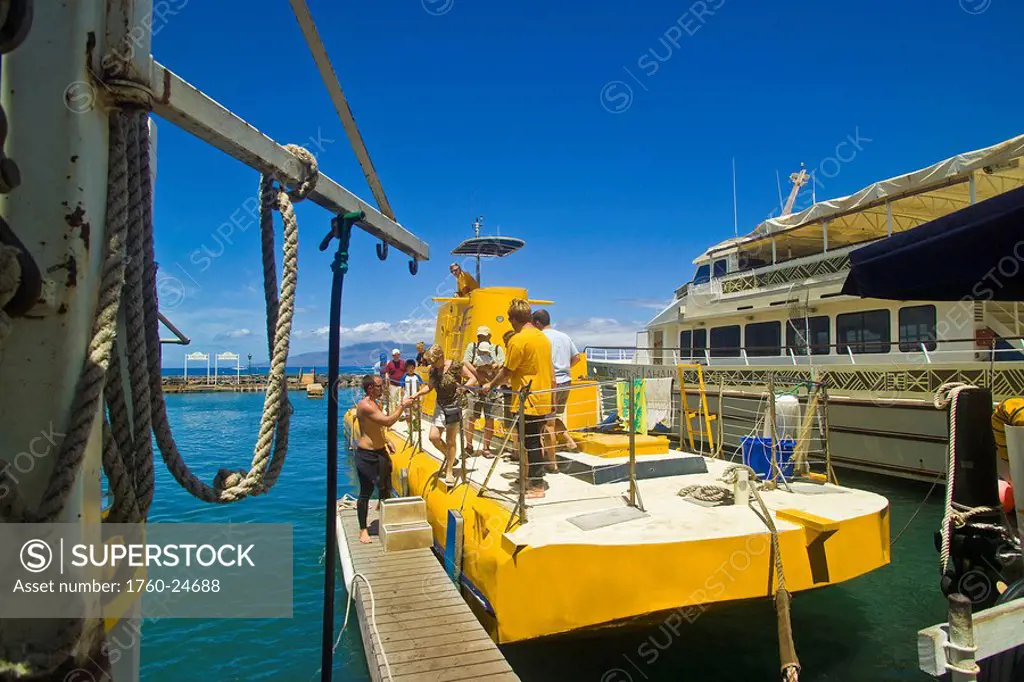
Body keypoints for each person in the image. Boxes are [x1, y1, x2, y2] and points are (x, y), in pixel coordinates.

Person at [482, 299, 553, 499]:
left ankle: (537, 485)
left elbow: (507, 371)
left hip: (526, 399)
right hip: (543, 397)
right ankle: (531, 478)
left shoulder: (517, 340)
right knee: (534, 440)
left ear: (513, 319)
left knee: (529, 443)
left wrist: (490, 385)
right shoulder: (543, 338)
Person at [409, 344, 479, 487]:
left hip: (455, 406)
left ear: (441, 357)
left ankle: (449, 471)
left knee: (451, 439)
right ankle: (450, 457)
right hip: (441, 405)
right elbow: (430, 386)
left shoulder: (455, 366)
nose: (432, 364)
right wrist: (417, 393)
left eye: (433, 361)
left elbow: (472, 378)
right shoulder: (434, 370)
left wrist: (463, 388)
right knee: (433, 437)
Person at [355, 374, 413, 543]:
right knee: (365, 492)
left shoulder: (376, 403)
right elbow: (387, 422)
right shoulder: (365, 406)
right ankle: (363, 530)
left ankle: (384, 513)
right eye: (380, 386)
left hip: (380, 452)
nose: (383, 388)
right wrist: (402, 406)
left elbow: (378, 426)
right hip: (367, 454)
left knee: (386, 485)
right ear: (370, 389)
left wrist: (386, 440)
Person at [532, 309, 580, 455]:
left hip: (550, 383)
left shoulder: (540, 337)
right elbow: (577, 357)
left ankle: (550, 460)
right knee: (553, 417)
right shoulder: (564, 336)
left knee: (546, 423)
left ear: (537, 323)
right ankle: (569, 442)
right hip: (566, 381)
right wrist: (564, 368)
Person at [462, 339, 503, 458]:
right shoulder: (473, 354)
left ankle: (486, 447)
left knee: (489, 419)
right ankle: (469, 446)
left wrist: (492, 369)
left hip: (491, 393)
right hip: (476, 392)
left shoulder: (495, 354)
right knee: (471, 418)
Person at [384, 349, 406, 413]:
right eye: (394, 355)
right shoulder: (390, 364)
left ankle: (399, 414)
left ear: (399, 355)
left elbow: (406, 372)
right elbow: (387, 373)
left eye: (397, 355)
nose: (396, 356)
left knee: (400, 400)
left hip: (401, 385)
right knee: (392, 400)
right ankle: (392, 413)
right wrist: (386, 381)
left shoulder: (403, 363)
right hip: (392, 385)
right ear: (392, 355)